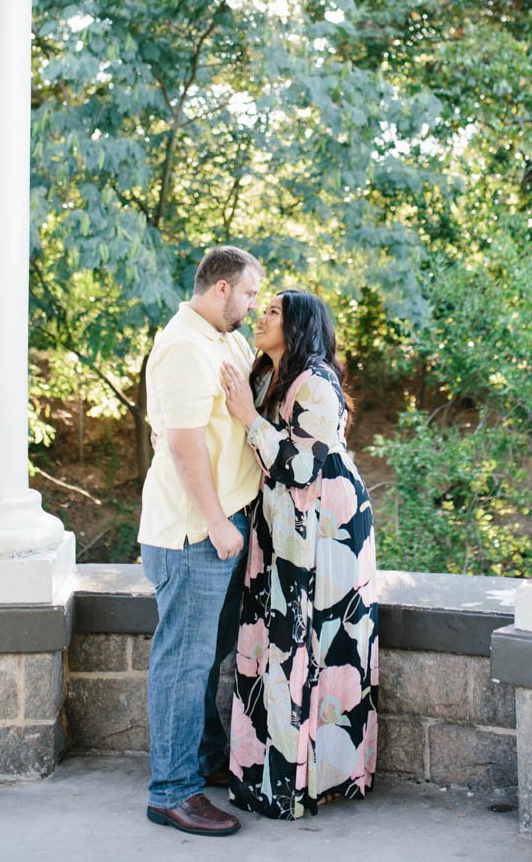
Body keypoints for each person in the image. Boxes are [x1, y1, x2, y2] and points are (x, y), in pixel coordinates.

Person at [220, 289, 379, 820]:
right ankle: (268, 774)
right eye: (261, 309)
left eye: (272, 313)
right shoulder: (271, 377)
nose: (260, 318)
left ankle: (302, 783)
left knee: (312, 642)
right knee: (276, 641)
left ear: (299, 327)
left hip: (324, 531)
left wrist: (248, 418)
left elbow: (303, 466)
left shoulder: (316, 381)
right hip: (285, 527)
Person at [138, 245, 263, 837]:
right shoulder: (185, 347)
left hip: (219, 525)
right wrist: (217, 522)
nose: (253, 306)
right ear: (221, 290)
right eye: (249, 295)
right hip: (192, 533)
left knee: (207, 658)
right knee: (184, 665)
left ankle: (204, 762)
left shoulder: (223, 338)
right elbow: (184, 445)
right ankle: (171, 792)